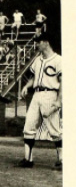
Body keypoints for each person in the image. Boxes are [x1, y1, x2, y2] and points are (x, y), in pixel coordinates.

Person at [17, 33, 62, 170]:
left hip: (50, 94)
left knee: (54, 129)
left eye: (39, 42)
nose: (37, 44)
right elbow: (33, 77)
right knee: (29, 126)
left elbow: (63, 82)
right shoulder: (38, 60)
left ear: (46, 43)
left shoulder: (59, 60)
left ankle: (62, 159)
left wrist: (59, 101)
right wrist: (26, 86)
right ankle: (28, 159)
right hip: (36, 94)